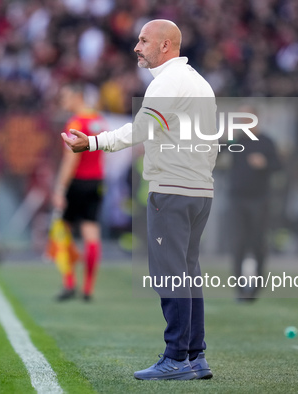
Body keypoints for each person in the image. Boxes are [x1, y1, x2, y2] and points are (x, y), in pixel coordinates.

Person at [62, 19, 216, 381]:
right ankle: (195, 356)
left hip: (173, 190)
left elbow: (141, 130)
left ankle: (178, 357)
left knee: (170, 274)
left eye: (144, 40)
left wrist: (93, 142)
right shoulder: (199, 82)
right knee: (188, 273)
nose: (137, 46)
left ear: (166, 46)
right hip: (199, 191)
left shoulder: (168, 82)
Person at [53, 83, 106, 302]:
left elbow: (70, 159)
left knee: (63, 230)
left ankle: (69, 282)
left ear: (78, 96)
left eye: (66, 96)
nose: (63, 101)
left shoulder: (75, 123)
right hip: (96, 181)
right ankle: (88, 289)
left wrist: (60, 188)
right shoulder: (99, 121)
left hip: (76, 182)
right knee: (91, 231)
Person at [228, 106, 282, 301]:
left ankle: (256, 287)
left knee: (258, 243)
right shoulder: (237, 141)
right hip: (237, 199)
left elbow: (278, 165)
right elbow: (215, 151)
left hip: (259, 199)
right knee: (239, 244)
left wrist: (265, 163)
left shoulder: (266, 142)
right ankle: (240, 289)